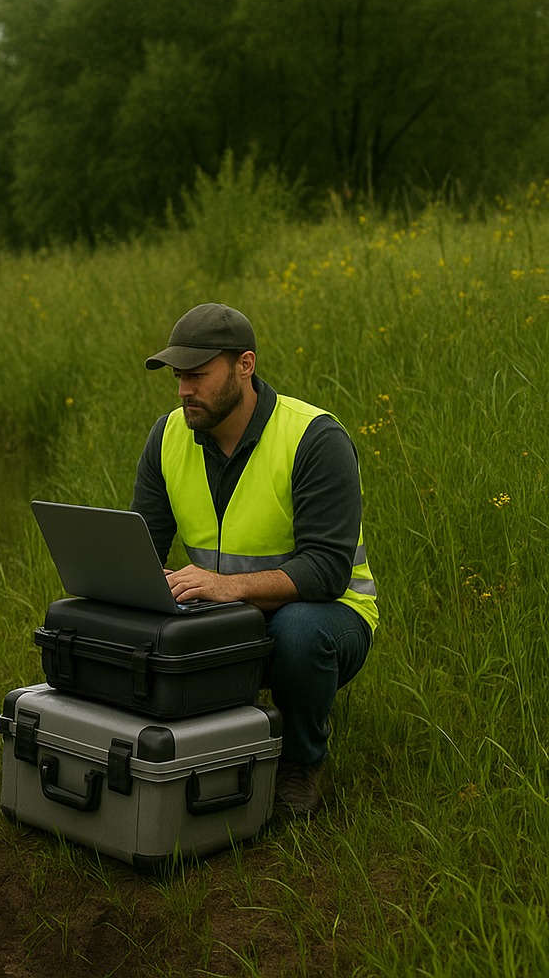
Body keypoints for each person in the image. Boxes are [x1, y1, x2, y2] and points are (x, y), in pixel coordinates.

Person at [131, 303, 377, 816]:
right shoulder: (168, 435)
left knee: (300, 631)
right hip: (225, 618)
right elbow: (144, 548)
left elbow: (328, 571)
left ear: (245, 365)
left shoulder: (315, 438)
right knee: (118, 612)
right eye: (178, 378)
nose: (183, 392)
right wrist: (135, 584)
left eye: (197, 376)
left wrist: (227, 586)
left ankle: (300, 764)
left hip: (330, 615)